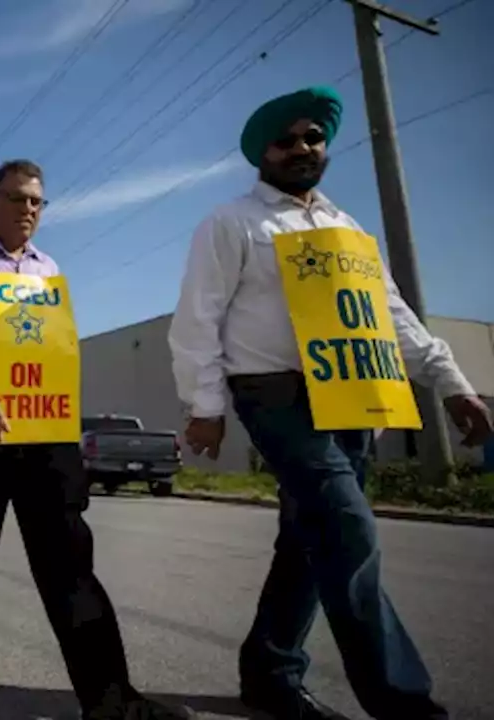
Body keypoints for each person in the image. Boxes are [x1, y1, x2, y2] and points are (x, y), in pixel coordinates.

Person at [169, 86, 493, 720]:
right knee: (347, 527)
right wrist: (203, 405)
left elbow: (392, 316)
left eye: (313, 137)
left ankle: (269, 672)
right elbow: (197, 320)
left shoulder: (346, 228)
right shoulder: (233, 222)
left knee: (308, 539)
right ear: (261, 152)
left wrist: (450, 382)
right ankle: (402, 700)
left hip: (350, 393)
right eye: (286, 140)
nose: (301, 148)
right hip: (274, 395)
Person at [0, 159, 191, 719]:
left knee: (69, 554)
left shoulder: (50, 269)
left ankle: (110, 697)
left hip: (42, 426)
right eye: (17, 198)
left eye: (37, 202)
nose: (28, 209)